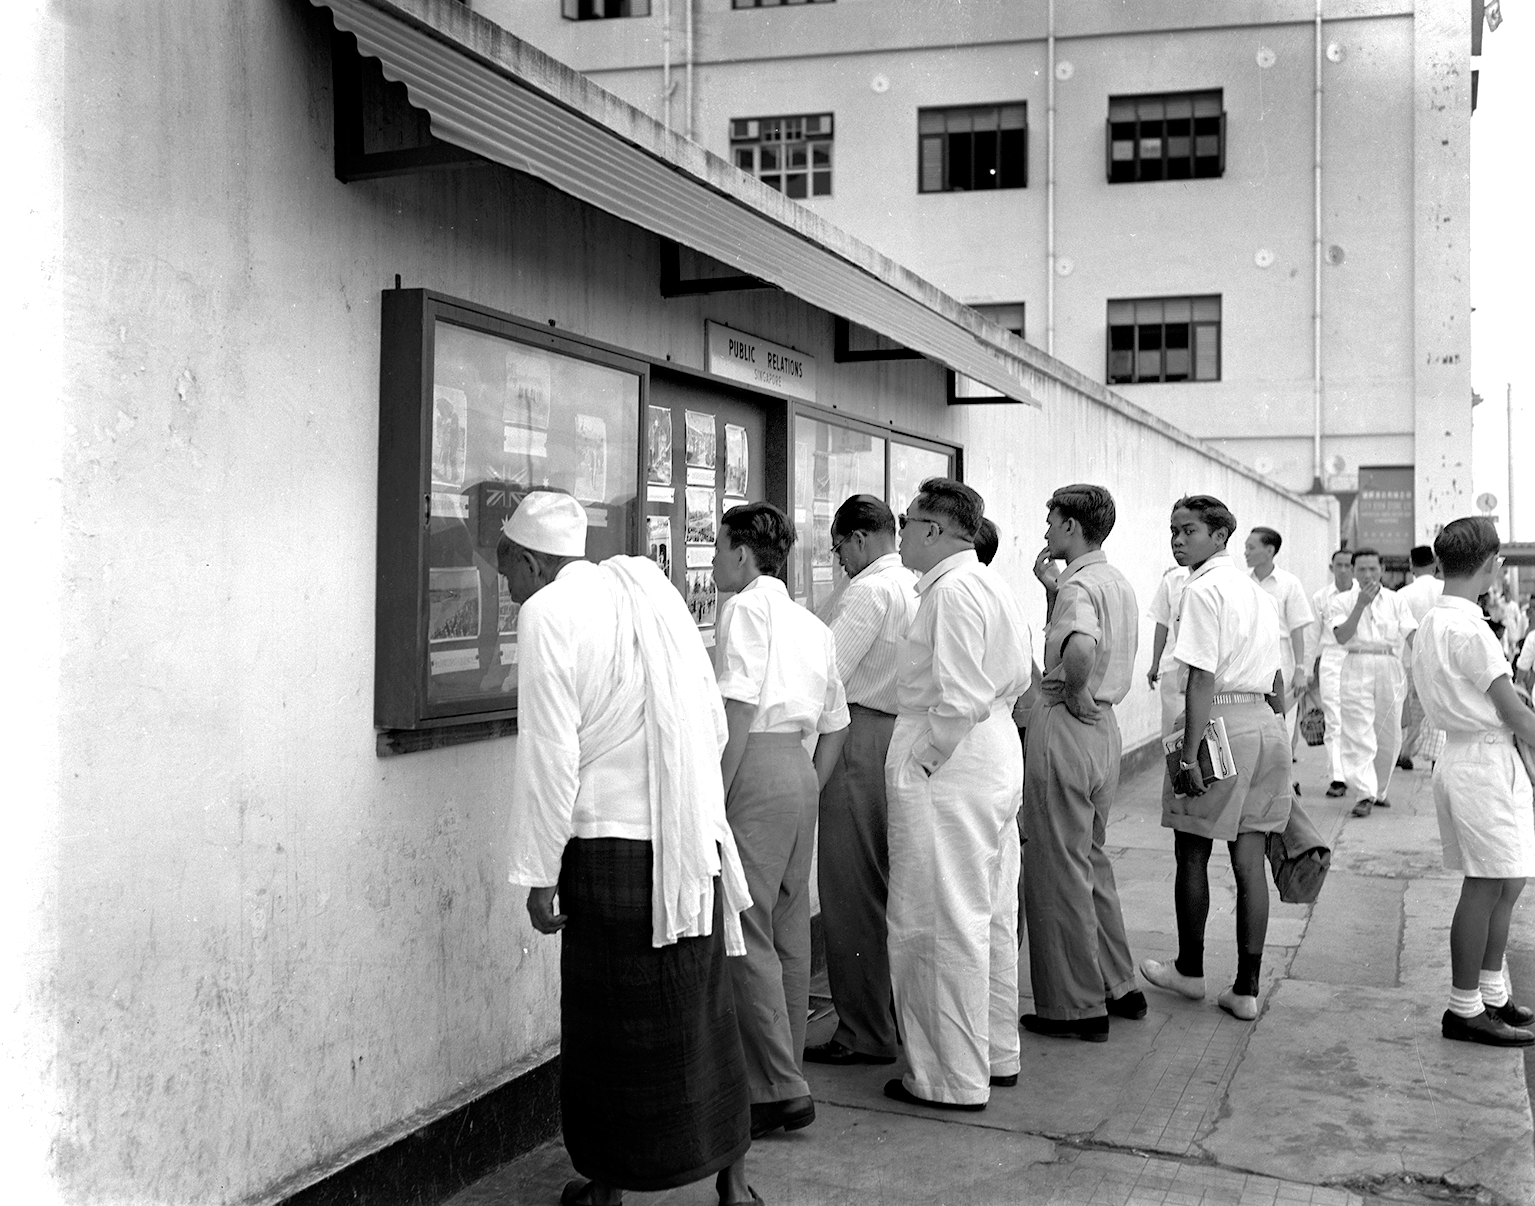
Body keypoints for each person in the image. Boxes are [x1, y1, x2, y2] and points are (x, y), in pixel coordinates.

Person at [501, 491, 760, 1206]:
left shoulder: (547, 613)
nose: (508, 588)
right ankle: (733, 1184)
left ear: (528, 560)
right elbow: (706, 718)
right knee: (703, 1015)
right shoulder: (651, 593)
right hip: (687, 841)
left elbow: (550, 754)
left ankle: (609, 1190)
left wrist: (537, 872)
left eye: (507, 572)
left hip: (609, 848)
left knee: (609, 1030)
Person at [884, 478, 1031, 1111]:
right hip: (991, 754)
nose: (902, 530)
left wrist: (924, 760)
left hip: (953, 761)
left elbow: (959, 698)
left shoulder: (951, 592)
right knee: (989, 914)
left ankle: (948, 1078)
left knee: (939, 919)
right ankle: (994, 1053)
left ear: (936, 531)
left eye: (908, 520)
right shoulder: (987, 583)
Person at [712, 502, 850, 1140]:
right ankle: (787, 1067)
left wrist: (713, 798)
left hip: (756, 766)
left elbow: (737, 711)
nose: (714, 561)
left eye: (717, 549)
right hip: (799, 770)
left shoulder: (743, 608)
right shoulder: (810, 623)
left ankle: (774, 1089)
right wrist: (808, 789)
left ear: (743, 553)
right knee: (791, 931)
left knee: (744, 926)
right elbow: (837, 726)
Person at [1140, 495, 1290, 1023]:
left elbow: (1200, 677)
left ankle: (1190, 970)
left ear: (1220, 535)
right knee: (1249, 862)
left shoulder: (1202, 591)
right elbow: (1277, 683)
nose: (1178, 539)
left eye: (1189, 530)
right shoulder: (1259, 594)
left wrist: (1188, 752)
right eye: (1173, 529)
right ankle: (1246, 989)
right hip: (1265, 728)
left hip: (1219, 724)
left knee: (1192, 850)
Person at [1020, 485, 1145, 1042]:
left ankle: (1074, 1008)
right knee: (1089, 858)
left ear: (1071, 527)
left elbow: (1080, 649)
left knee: (1056, 865)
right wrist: (1053, 595)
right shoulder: (1112, 579)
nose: (1046, 532)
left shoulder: (1079, 584)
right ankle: (1119, 984)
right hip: (1104, 730)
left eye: (1051, 522)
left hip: (1069, 723)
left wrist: (1072, 693)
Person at [1411, 517, 1535, 1047]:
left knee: (1505, 882)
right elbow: (1516, 714)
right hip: (1483, 762)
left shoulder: (1436, 621)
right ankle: (1465, 1007)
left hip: (1468, 758)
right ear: (1490, 564)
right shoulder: (1469, 629)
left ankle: (1490, 993)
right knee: (1486, 886)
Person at [803, 495, 917, 1069]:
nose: (838, 559)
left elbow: (828, 677)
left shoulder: (868, 592)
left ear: (860, 540)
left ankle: (864, 1031)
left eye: (839, 547)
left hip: (857, 736)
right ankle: (886, 1016)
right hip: (900, 737)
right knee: (885, 887)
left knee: (850, 892)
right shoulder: (912, 584)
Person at [1329, 548, 1419, 818]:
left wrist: (1426, 663)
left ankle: (1379, 789)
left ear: (1381, 569)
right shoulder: (1343, 601)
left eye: (1372, 569)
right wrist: (1359, 605)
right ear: (1353, 572)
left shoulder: (1396, 600)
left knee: (1388, 731)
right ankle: (1364, 792)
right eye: (1361, 570)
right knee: (1357, 729)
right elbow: (1342, 637)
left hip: (1389, 664)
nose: (1367, 575)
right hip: (1356, 662)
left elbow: (1411, 634)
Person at [1244, 526, 1314, 793]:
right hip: (1251, 660)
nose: (1246, 552)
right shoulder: (1243, 581)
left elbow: (1297, 631)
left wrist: (1299, 669)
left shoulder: (1289, 583)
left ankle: (1284, 782)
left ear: (1269, 550)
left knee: (1282, 722)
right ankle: (1259, 781)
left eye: (1252, 547)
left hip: (1281, 658)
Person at [1397, 545, 1446, 771]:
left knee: (1414, 710)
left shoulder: (1403, 594)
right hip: (1442, 659)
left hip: (1411, 660)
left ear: (1411, 565)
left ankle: (1405, 750)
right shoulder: (1446, 588)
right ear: (1435, 563)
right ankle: (1437, 754)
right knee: (1439, 706)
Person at [1310, 549, 1355, 797]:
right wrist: (1306, 669)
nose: (1343, 570)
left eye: (1348, 565)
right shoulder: (1321, 598)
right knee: (1333, 717)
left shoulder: (1365, 594)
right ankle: (1338, 776)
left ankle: (1359, 773)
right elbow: (1312, 635)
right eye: (1339, 565)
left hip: (1357, 658)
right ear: (1332, 567)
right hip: (1331, 657)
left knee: (1356, 717)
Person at [1146, 563, 1191, 738]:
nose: (1179, 542)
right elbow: (1162, 623)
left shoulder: (1222, 577)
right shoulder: (1172, 579)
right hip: (1174, 669)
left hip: (1211, 671)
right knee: (1174, 737)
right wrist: (1155, 664)